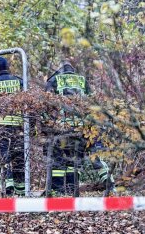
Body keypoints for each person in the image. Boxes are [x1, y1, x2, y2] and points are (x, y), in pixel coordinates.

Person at [45, 60, 115, 195]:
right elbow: (92, 103)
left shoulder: (54, 80)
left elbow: (46, 104)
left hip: (62, 128)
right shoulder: (82, 80)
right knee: (74, 161)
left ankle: (58, 192)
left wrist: (47, 124)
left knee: (58, 160)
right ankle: (72, 190)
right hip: (81, 128)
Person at [0, 57, 25, 196]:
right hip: (18, 125)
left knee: (3, 157)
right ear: (8, 67)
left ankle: (8, 187)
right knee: (19, 158)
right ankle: (21, 190)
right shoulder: (19, 81)